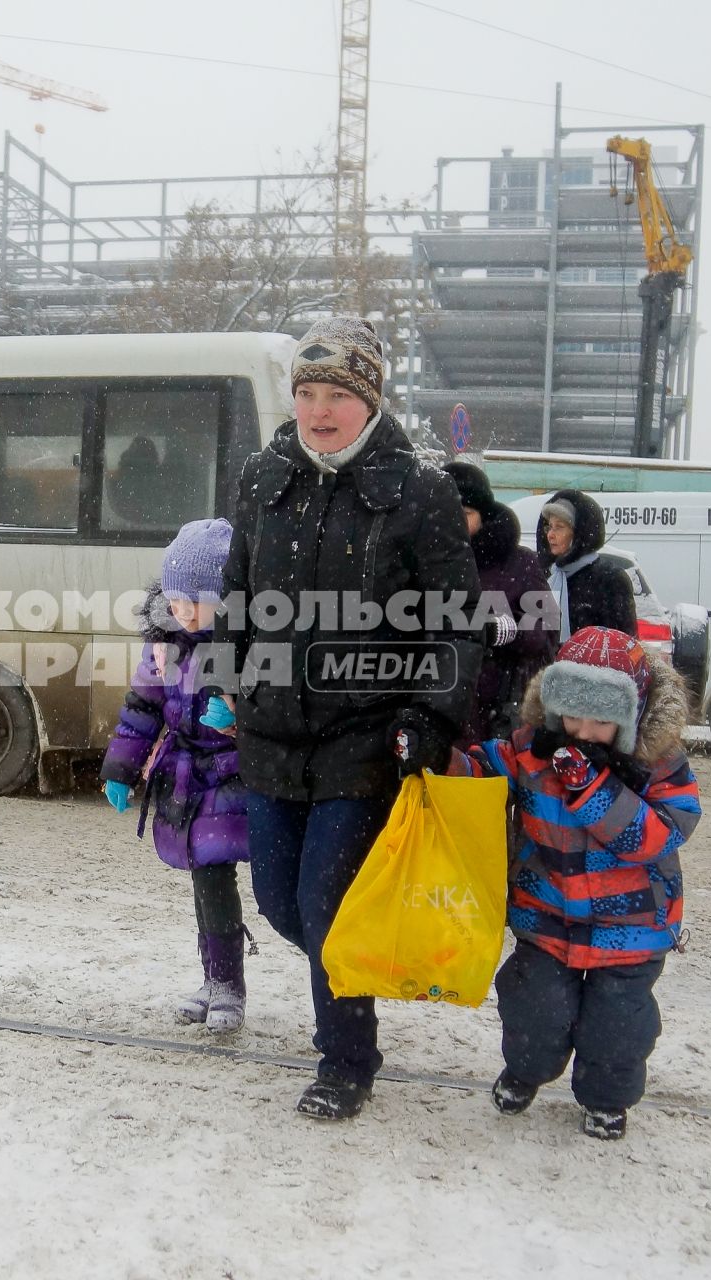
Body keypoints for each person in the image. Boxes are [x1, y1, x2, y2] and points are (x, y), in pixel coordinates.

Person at [222, 317, 482, 1120]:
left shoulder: (421, 491)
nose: (319, 409)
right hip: (269, 732)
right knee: (278, 902)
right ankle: (359, 968)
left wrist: (429, 719)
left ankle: (346, 1058)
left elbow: (457, 621)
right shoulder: (265, 477)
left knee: (326, 904)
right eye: (306, 392)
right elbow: (239, 595)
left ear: (368, 400)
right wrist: (231, 677)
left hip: (364, 734)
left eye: (337, 393)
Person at [441, 626, 700, 1141]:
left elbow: (659, 835)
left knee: (616, 1029)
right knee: (535, 1011)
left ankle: (607, 1099)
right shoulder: (534, 750)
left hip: (632, 927)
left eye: (601, 720)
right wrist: (442, 759)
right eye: (572, 714)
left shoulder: (658, 765)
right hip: (547, 918)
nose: (581, 731)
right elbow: (482, 771)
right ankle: (526, 1069)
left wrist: (593, 787)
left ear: (630, 715)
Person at [99, 518, 252, 1032]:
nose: (182, 611)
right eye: (175, 598)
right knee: (201, 877)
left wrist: (239, 722)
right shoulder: (164, 644)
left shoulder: (244, 643)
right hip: (183, 772)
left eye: (195, 599)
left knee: (213, 875)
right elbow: (141, 706)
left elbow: (278, 709)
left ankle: (229, 984)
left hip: (231, 774)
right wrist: (121, 768)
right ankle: (213, 978)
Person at [445, 461, 553, 741]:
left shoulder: (520, 563)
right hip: (440, 708)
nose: (455, 521)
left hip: (499, 711)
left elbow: (543, 633)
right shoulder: (425, 560)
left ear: (484, 516)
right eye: (447, 512)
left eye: (466, 513)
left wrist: (500, 630)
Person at [535, 489, 635, 642]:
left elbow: (622, 646)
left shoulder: (609, 579)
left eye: (559, 527)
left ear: (578, 533)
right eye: (549, 526)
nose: (550, 534)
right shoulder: (544, 576)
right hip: (547, 666)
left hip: (590, 666)